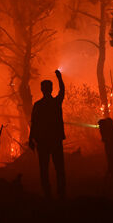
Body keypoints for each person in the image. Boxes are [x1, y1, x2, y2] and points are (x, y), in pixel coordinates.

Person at [28, 69, 65, 198]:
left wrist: (31, 139)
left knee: (44, 169)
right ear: (50, 89)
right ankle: (60, 194)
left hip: (43, 141)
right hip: (54, 140)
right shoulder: (55, 103)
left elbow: (34, 123)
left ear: (42, 90)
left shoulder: (38, 105)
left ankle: (48, 195)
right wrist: (60, 78)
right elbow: (62, 92)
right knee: (59, 168)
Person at [97, 116, 113, 189]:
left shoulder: (104, 128)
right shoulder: (106, 129)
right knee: (111, 160)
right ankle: (111, 175)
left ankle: (110, 175)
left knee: (110, 160)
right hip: (110, 145)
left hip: (109, 145)